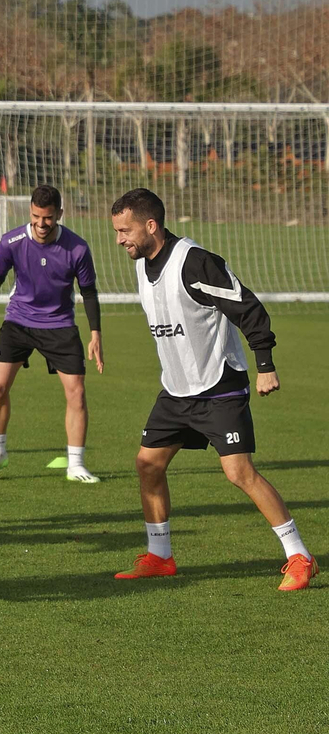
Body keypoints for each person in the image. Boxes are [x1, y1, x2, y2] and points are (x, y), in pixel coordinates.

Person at [109, 188, 314, 590]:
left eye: (125, 230)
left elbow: (248, 307)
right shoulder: (141, 261)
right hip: (176, 390)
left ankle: (300, 557)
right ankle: (159, 557)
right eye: (116, 231)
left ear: (151, 226)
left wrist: (265, 365)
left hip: (218, 385)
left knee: (239, 473)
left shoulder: (197, 263)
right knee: (148, 465)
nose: (120, 239)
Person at [0, 184, 103, 482]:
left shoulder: (77, 248)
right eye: (37, 216)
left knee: (76, 393)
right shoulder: (11, 241)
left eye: (48, 218)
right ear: (30, 211)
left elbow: (88, 292)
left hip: (60, 325)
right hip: (19, 321)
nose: (41, 224)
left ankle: (75, 463)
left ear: (59, 214)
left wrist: (95, 333)